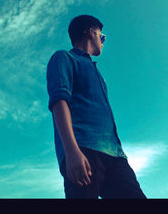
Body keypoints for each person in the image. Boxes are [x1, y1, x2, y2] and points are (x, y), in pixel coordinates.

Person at [46, 15, 146, 199]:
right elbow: (59, 102)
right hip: (83, 151)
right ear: (91, 33)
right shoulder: (64, 58)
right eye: (102, 36)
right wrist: (71, 151)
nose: (103, 41)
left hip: (115, 156)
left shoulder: (99, 75)